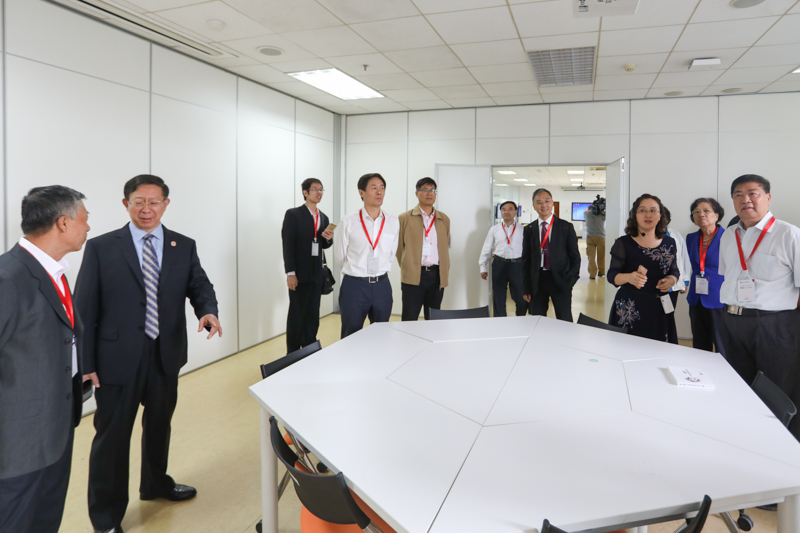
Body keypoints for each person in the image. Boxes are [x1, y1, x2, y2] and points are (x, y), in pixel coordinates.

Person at [76, 174, 221, 533]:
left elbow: (199, 283)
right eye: (139, 202)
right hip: (116, 359)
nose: (146, 209)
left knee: (159, 425)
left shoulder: (182, 245)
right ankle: (106, 517)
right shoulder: (102, 247)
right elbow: (84, 308)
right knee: (112, 438)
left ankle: (155, 483)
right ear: (125, 204)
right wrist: (86, 363)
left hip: (164, 353)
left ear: (165, 205)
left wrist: (207, 310)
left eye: (154, 202)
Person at [0, 186, 90, 533]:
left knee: (45, 520)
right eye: (84, 219)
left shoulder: (54, 271)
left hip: (54, 430)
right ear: (63, 223)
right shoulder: (8, 278)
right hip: (17, 446)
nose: (88, 227)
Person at [716, 174, 800, 440]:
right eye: (738, 195)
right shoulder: (729, 235)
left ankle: (782, 445)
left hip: (774, 325)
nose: (746, 200)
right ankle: (744, 439)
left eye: (753, 193)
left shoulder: (789, 234)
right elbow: (728, 274)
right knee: (737, 384)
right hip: (731, 320)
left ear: (768, 197)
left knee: (778, 390)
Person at [607, 194, 680, 343]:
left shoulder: (670, 242)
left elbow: (674, 271)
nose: (648, 214)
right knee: (626, 348)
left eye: (653, 210)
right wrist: (629, 277)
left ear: (660, 215)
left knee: (659, 350)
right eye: (642, 210)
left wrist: (671, 280)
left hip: (659, 307)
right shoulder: (623, 243)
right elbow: (612, 275)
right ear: (635, 215)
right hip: (630, 307)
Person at [334, 173, 399, 338]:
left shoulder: (392, 221)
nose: (379, 192)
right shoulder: (349, 221)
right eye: (374, 188)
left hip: (382, 285)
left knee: (382, 334)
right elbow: (340, 256)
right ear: (361, 192)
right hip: (355, 286)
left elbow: (391, 253)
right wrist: (356, 271)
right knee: (351, 334)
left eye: (382, 188)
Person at [281, 178, 334, 352]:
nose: (319, 193)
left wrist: (329, 239)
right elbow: (288, 245)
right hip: (299, 274)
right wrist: (291, 273)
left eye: (321, 189)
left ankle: (310, 350)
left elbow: (323, 245)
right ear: (305, 192)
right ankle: (293, 353)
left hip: (316, 275)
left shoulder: (323, 217)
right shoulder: (294, 214)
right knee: (297, 315)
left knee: (313, 316)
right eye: (315, 189)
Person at [522, 189, 580, 322]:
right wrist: (526, 287)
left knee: (564, 319)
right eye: (539, 202)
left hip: (560, 279)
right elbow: (525, 261)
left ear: (552, 203)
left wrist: (571, 280)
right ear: (534, 206)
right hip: (537, 281)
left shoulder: (566, 227)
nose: (543, 205)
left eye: (547, 201)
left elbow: (575, 257)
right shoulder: (529, 229)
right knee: (537, 320)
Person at [396, 177, 450, 321]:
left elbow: (445, 245)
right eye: (425, 190)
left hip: (437, 275)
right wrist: (408, 266)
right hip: (413, 275)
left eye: (432, 190)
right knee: (410, 317)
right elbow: (398, 248)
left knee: (433, 318)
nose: (429, 193)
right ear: (417, 193)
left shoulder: (444, 219)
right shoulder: (404, 218)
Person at [685, 197, 725, 352]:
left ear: (717, 215)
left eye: (706, 210)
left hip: (719, 298)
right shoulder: (691, 238)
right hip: (696, 298)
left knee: (722, 344)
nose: (701, 214)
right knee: (700, 344)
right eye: (696, 211)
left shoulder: (728, 237)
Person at [479, 201, 526, 317]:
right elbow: (487, 248)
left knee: (520, 297)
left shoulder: (523, 229)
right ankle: (500, 322)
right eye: (504, 209)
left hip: (517, 265)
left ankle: (520, 318)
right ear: (500, 212)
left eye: (510, 209)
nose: (506, 212)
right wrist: (483, 266)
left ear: (515, 212)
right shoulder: (494, 229)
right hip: (499, 264)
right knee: (498, 297)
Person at [663, 206, 691, 344]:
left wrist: (685, 281)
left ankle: (668, 343)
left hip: (672, 287)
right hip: (652, 286)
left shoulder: (675, 235)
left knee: (668, 316)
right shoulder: (644, 236)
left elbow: (683, 258)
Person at [584, 202, 605, 280]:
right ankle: (601, 271)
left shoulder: (586, 213)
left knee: (591, 257)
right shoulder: (602, 214)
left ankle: (592, 274)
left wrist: (591, 209)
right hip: (601, 237)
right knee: (601, 256)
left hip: (590, 237)